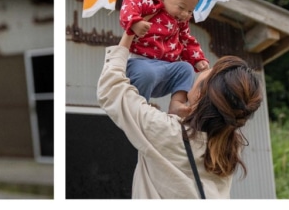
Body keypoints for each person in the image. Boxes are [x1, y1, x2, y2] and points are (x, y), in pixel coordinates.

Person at [97, 31, 263, 198]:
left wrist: (129, 33)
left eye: (209, 71)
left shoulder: (166, 131)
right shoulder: (231, 147)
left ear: (199, 94)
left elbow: (112, 89)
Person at [119, 0, 210, 117]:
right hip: (138, 64)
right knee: (146, 73)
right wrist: (135, 22)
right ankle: (138, 108)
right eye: (181, 7)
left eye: (190, 11)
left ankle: (176, 104)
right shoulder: (148, 2)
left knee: (186, 69)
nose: (185, 14)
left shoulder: (180, 22)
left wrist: (198, 59)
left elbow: (187, 40)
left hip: (166, 69)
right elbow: (128, 6)